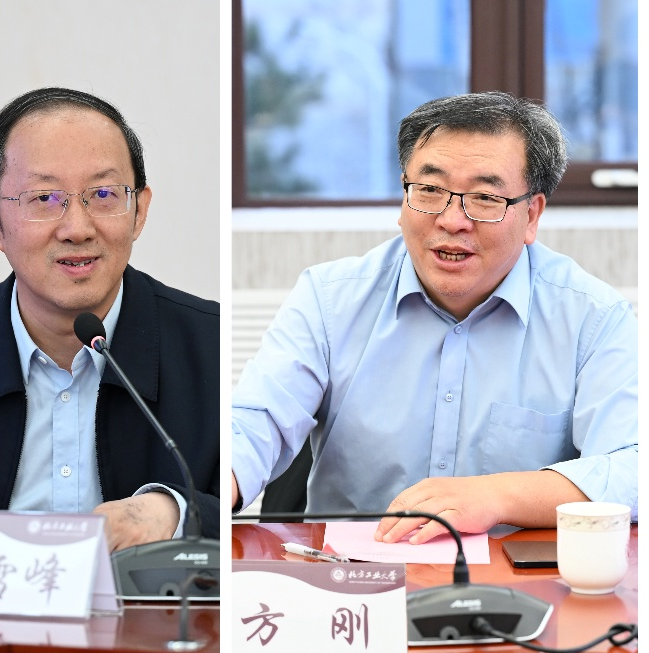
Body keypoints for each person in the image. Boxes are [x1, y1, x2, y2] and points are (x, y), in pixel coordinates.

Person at [232, 91, 637, 544]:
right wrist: (201, 491)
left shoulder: (593, 318)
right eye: (429, 190)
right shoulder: (328, 300)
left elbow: (633, 465)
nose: (452, 220)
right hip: (351, 572)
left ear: (531, 215)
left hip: (514, 575)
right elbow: (254, 423)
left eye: (484, 197)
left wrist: (498, 496)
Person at [0, 88, 220, 549]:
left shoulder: (211, 350)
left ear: (139, 211)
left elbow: (253, 526)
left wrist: (177, 512)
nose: (77, 228)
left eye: (103, 194)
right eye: (44, 198)